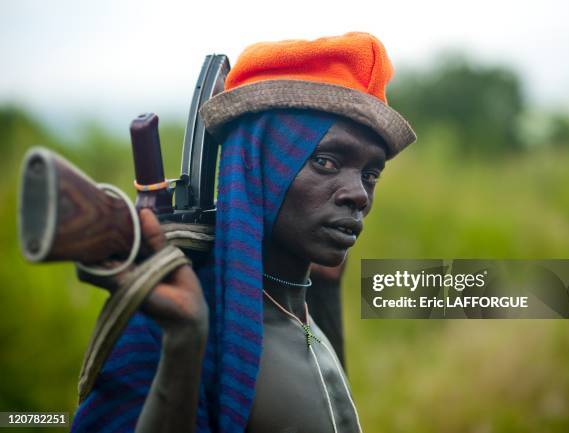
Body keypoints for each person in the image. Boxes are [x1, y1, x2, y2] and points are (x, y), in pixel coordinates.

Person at [71, 32, 416, 433]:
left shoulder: (299, 304)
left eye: (370, 174)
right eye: (325, 161)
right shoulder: (169, 321)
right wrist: (183, 340)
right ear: (259, 166)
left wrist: (325, 292)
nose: (358, 194)